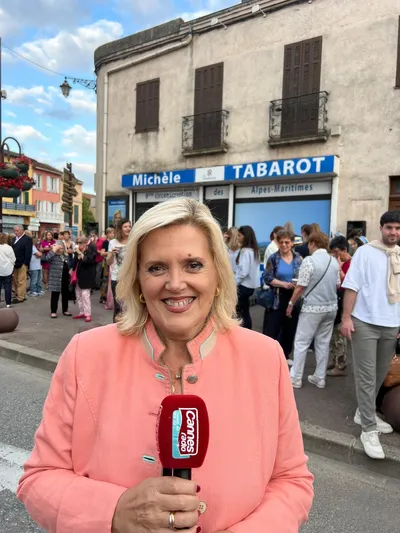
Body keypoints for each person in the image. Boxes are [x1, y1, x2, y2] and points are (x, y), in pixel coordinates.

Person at [17, 198, 313, 533]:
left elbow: (291, 481)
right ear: (138, 280)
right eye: (157, 267)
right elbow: (39, 479)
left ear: (218, 275)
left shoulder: (265, 358)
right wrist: (113, 512)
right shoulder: (86, 354)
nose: (175, 283)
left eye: (193, 265)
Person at [341, 211, 400, 460]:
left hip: (391, 324)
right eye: (389, 228)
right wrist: (346, 318)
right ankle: (368, 429)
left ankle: (362, 412)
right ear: (381, 228)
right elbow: (351, 285)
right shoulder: (366, 252)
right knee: (366, 377)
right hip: (364, 322)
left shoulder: (399, 255)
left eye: (397, 228)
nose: (393, 232)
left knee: (378, 375)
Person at [287, 232, 340, 389]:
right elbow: (337, 284)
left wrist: (291, 303)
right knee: (323, 343)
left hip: (312, 307)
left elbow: (301, 286)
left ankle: (296, 377)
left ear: (313, 243)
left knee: (302, 341)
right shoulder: (334, 261)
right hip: (331, 307)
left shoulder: (309, 261)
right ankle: (320, 377)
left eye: (308, 244)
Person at [263, 230, 303, 362]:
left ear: (292, 243)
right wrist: (283, 284)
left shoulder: (298, 258)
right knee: (272, 327)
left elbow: (303, 277)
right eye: (281, 242)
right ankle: (269, 355)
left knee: (290, 328)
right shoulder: (273, 258)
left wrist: (295, 283)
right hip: (277, 297)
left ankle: (285, 355)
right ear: (278, 243)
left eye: (287, 242)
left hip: (294, 297)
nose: (284, 245)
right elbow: (267, 278)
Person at [326, 235, 352, 376]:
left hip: (345, 303)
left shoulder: (352, 264)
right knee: (334, 334)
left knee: (340, 334)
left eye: (337, 252)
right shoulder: (336, 262)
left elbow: (348, 283)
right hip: (335, 301)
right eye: (333, 252)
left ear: (344, 249)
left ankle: (340, 365)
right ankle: (335, 359)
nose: (335, 255)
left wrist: (340, 269)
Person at [107, 218, 132, 322]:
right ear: (120, 228)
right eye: (125, 226)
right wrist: (112, 253)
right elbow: (108, 262)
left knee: (130, 307)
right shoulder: (113, 242)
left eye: (130, 226)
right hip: (117, 278)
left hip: (131, 277)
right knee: (118, 307)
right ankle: (115, 330)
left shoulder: (133, 240)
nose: (128, 229)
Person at [235, 225, 260, 329]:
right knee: (245, 311)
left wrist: (234, 283)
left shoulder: (245, 251)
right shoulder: (254, 250)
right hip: (251, 286)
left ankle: (244, 333)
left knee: (241, 313)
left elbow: (243, 272)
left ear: (245, 236)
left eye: (239, 235)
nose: (238, 237)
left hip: (243, 286)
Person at [44, 241, 72, 319]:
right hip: (55, 278)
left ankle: (65, 310)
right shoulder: (52, 255)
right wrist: (54, 249)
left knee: (65, 295)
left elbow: (69, 265)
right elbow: (47, 258)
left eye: (61, 248)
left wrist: (70, 270)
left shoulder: (66, 256)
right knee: (55, 295)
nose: (60, 250)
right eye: (58, 248)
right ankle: (53, 311)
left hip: (65, 278)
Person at [73, 236, 96, 322]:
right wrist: (71, 269)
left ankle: (87, 314)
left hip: (87, 277)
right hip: (78, 276)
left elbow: (88, 261)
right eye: (78, 243)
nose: (79, 245)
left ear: (85, 243)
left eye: (81, 243)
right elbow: (75, 262)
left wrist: (80, 253)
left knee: (85, 296)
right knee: (78, 295)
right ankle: (82, 312)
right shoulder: (77, 252)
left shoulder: (90, 252)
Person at [12, 225, 33, 304]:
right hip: (14, 263)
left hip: (22, 263)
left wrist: (25, 263)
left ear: (22, 230)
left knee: (21, 280)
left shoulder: (27, 239)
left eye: (17, 231)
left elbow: (28, 252)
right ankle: (20, 294)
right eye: (15, 230)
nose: (15, 232)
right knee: (16, 280)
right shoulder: (14, 239)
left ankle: (20, 297)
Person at [0, 232, 16, 308]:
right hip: (7, 270)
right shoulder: (9, 248)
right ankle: (8, 303)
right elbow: (13, 259)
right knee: (8, 287)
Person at [100, 227, 114, 304]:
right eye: (111, 233)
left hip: (113, 262)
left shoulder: (115, 242)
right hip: (107, 262)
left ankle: (110, 296)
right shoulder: (106, 242)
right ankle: (103, 296)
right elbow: (102, 253)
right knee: (106, 279)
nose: (112, 234)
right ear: (107, 234)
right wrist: (110, 252)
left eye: (113, 233)